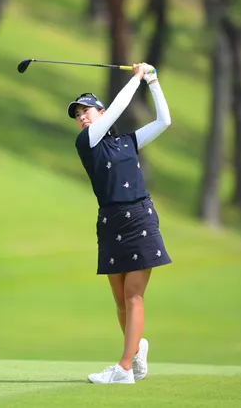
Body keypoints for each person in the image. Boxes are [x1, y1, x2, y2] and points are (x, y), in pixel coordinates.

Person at [66, 62, 173, 384]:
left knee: (133, 295)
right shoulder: (87, 143)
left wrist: (151, 81)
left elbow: (164, 121)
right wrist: (137, 77)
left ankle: (124, 368)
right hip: (110, 221)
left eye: (86, 111)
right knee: (120, 300)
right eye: (77, 115)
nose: (82, 118)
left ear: (99, 112)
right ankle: (136, 349)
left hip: (139, 218)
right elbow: (117, 110)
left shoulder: (129, 142)